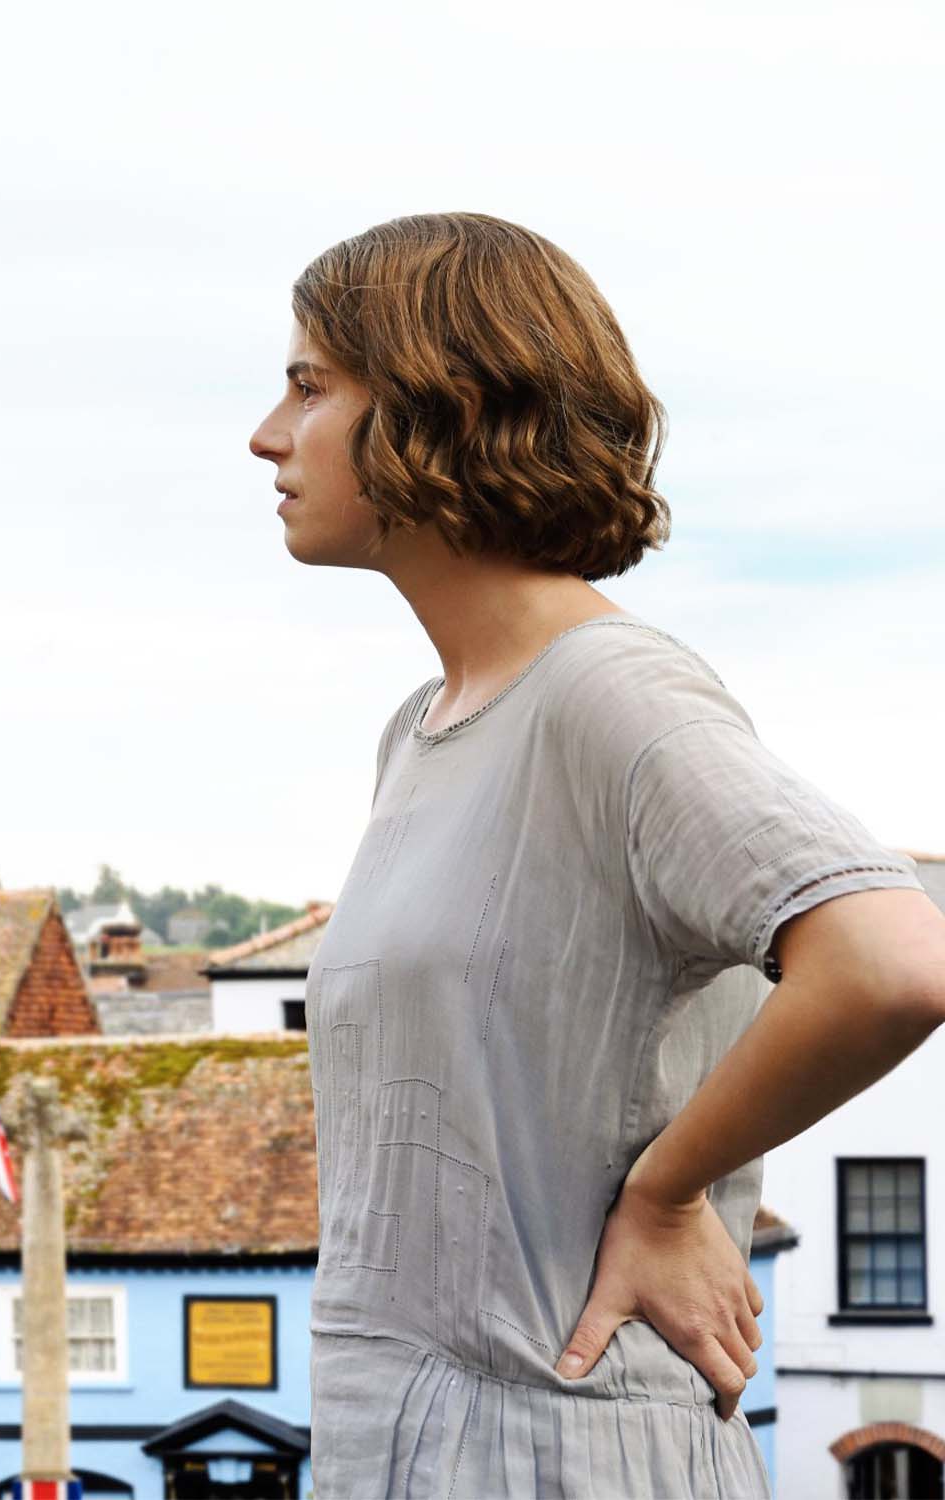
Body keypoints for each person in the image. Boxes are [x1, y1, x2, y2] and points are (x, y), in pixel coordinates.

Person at [249, 212, 945, 1496]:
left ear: (440, 404)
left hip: (562, 1447)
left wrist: (666, 1195)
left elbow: (888, 958)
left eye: (307, 386)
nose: (265, 434)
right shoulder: (419, 729)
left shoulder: (605, 693)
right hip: (396, 1443)